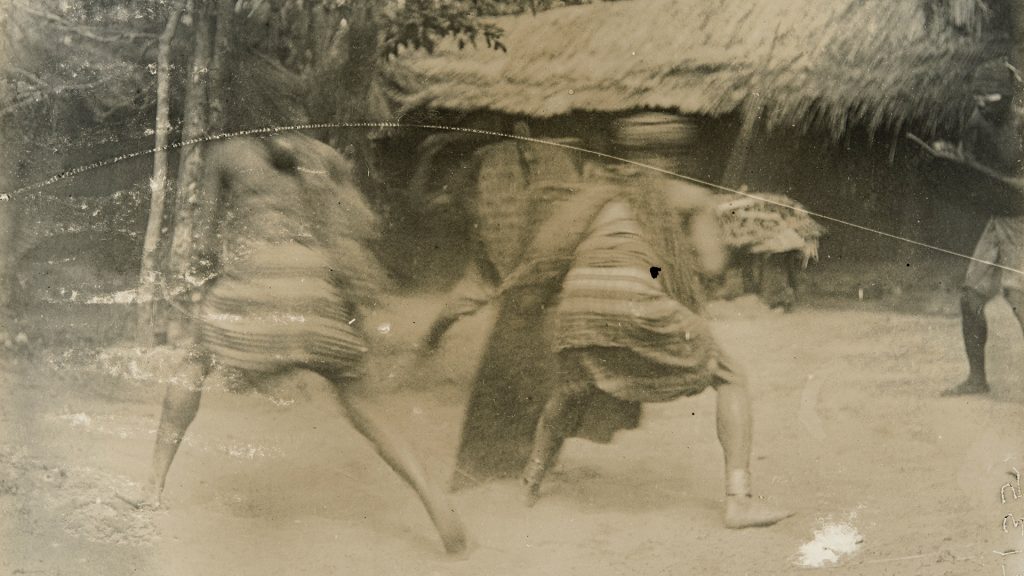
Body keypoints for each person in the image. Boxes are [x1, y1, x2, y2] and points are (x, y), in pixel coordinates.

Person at [135, 133, 467, 554]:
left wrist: (212, 280)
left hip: (253, 285)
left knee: (193, 365)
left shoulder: (226, 153)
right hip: (316, 290)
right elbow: (359, 226)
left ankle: (153, 487)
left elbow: (201, 246)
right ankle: (433, 500)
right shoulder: (322, 155)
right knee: (367, 408)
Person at [452, 167, 793, 529]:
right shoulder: (675, 194)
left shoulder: (592, 201)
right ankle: (739, 501)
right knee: (730, 376)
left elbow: (550, 263)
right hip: (631, 294)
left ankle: (530, 485)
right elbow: (712, 264)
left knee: (571, 389)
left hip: (578, 301)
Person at [942, 59, 1024, 396]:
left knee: (1020, 297)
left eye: (988, 99)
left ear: (1006, 98)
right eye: (976, 98)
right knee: (970, 297)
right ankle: (977, 378)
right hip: (997, 217)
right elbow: (970, 167)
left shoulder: (1021, 126)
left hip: (1021, 219)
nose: (980, 105)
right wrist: (950, 159)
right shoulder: (977, 123)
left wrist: (999, 182)